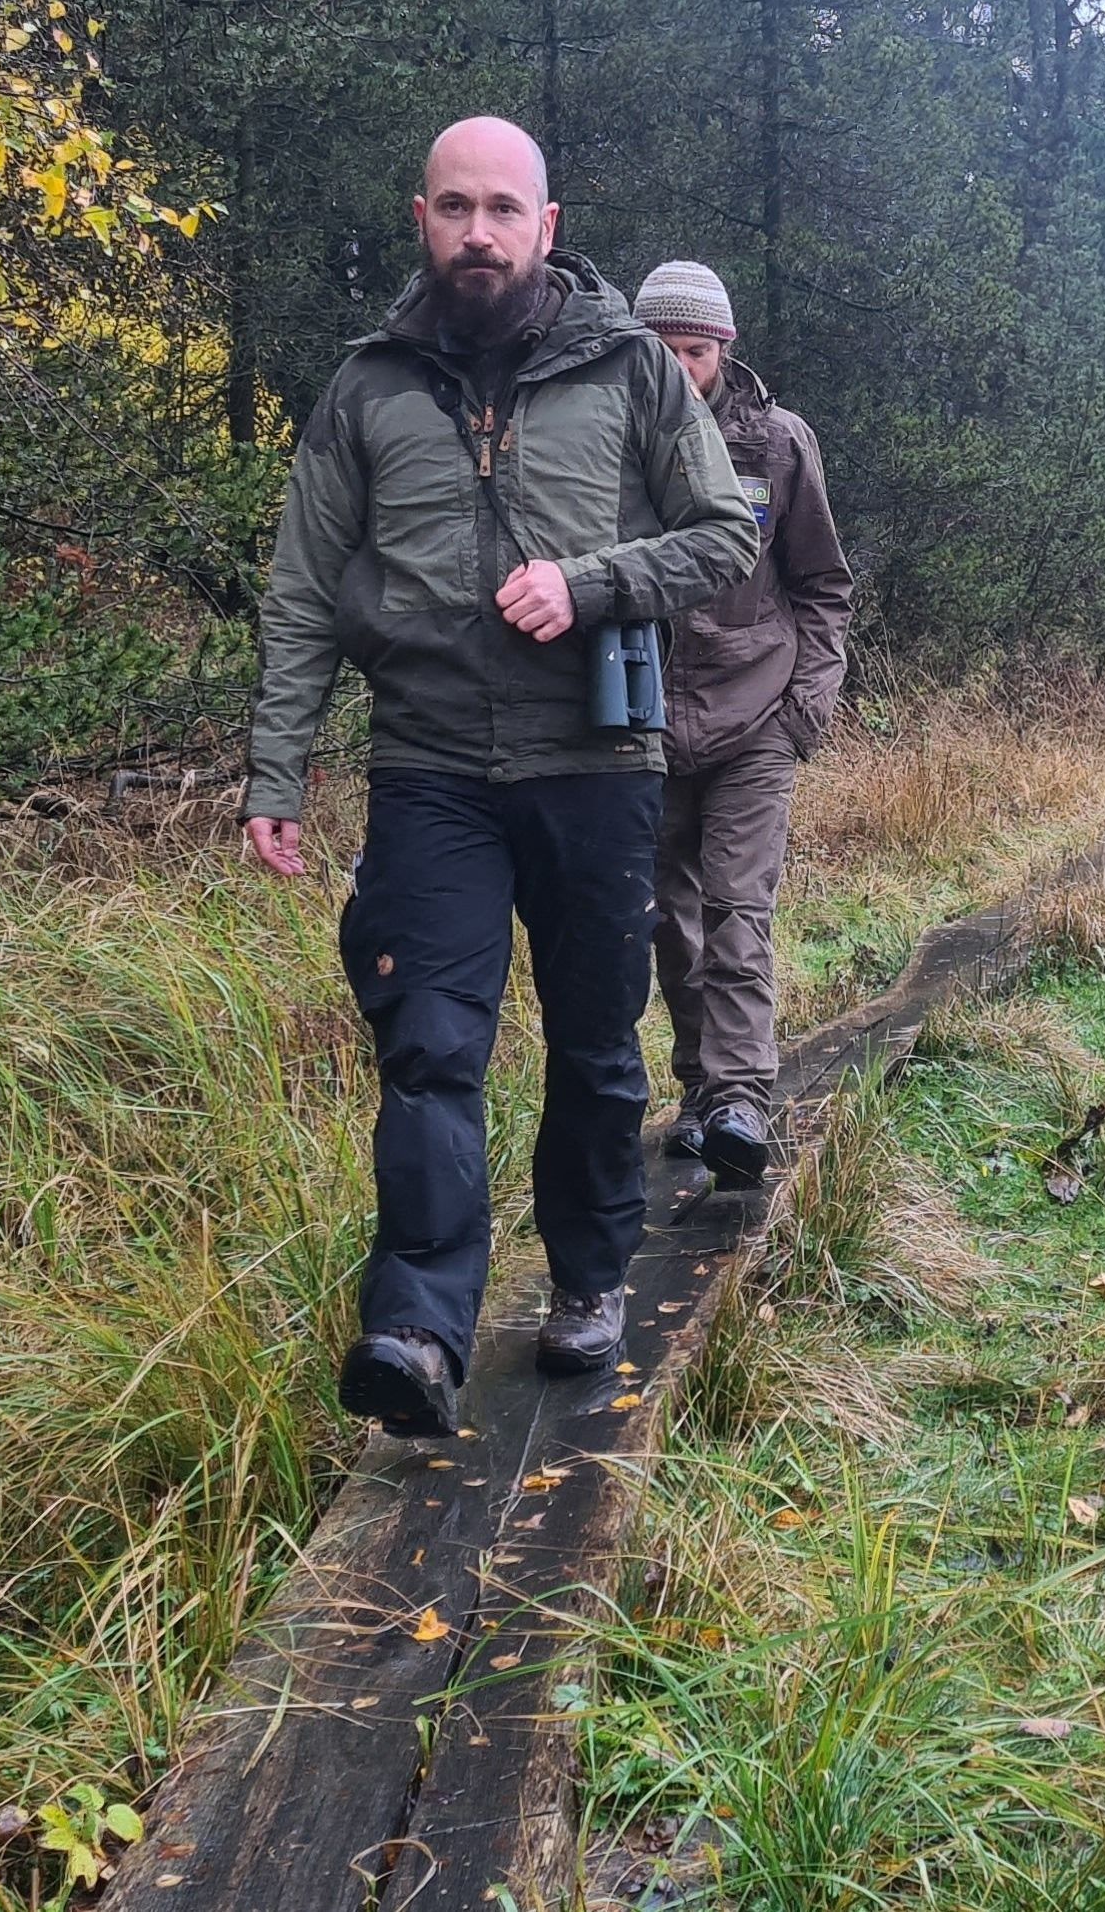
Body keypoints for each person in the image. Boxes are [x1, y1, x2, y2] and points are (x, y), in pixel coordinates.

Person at [239, 118, 757, 1436]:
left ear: (547, 222)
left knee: (594, 1044)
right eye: (455, 207)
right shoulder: (367, 386)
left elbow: (717, 538)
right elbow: (302, 591)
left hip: (594, 765)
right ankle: (415, 1326)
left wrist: (588, 585)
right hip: (427, 769)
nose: (480, 231)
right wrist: (276, 767)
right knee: (426, 1044)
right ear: (420, 216)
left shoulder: (634, 369)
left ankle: (588, 1278)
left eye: (503, 208)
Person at [627, 261, 853, 1188]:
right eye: (664, 350)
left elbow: (823, 584)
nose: (683, 368)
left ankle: (741, 1101)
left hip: (759, 711)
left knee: (736, 908)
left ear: (725, 348)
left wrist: (806, 707)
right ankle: (698, 1092)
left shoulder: (780, 443)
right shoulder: (609, 436)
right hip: (643, 720)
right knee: (666, 922)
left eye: (697, 349)